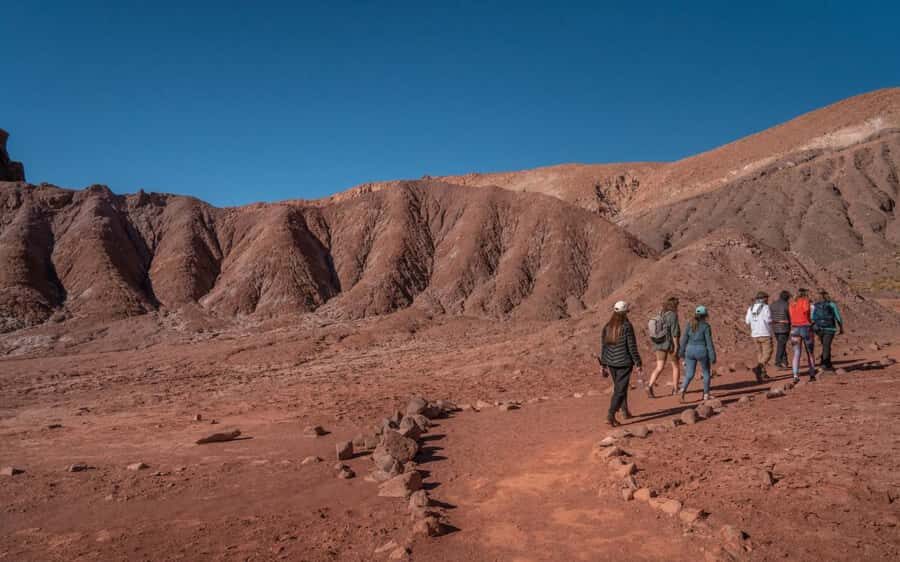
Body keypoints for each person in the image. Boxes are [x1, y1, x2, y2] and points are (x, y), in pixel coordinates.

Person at [599, 301, 643, 427]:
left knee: (620, 388)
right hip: (624, 362)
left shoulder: (607, 326)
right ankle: (610, 414)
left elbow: (604, 346)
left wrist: (603, 364)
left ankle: (624, 411)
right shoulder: (626, 326)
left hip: (611, 363)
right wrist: (638, 362)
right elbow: (632, 346)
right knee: (620, 389)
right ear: (624, 313)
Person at [678, 305, 717, 402]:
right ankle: (706, 395)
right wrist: (712, 356)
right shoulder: (706, 326)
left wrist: (681, 352)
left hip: (690, 351)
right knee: (706, 373)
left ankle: (682, 390)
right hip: (702, 351)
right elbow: (709, 342)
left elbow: (684, 340)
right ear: (705, 315)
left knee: (689, 374)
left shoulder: (689, 324)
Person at [646, 296, 681, 398]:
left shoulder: (660, 314)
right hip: (669, 345)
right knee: (675, 366)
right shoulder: (673, 315)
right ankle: (675, 389)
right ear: (674, 305)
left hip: (658, 344)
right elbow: (674, 332)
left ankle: (649, 386)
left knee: (659, 367)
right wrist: (676, 345)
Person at [789, 288, 816, 382]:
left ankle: (795, 375)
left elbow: (791, 315)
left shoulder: (792, 303)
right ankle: (812, 375)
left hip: (794, 329)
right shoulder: (805, 301)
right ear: (805, 294)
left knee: (796, 353)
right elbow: (807, 311)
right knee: (810, 353)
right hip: (805, 327)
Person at [745, 291, 773, 382]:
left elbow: (747, 321)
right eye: (766, 298)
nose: (767, 300)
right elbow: (768, 320)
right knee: (768, 353)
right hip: (764, 333)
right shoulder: (765, 307)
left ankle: (762, 374)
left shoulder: (751, 308)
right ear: (763, 298)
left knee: (760, 355)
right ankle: (758, 368)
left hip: (755, 334)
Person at [812, 288, 844, 371]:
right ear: (826, 295)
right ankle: (825, 365)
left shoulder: (814, 305)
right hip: (830, 328)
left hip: (819, 329)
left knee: (825, 345)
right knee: (826, 346)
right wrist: (841, 328)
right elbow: (838, 317)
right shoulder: (832, 304)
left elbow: (812, 318)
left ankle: (826, 363)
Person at [770, 290, 792, 368]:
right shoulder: (787, 305)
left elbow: (770, 316)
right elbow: (790, 317)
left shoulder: (772, 304)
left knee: (781, 344)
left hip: (775, 328)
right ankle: (777, 362)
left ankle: (785, 362)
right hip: (784, 328)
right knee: (781, 345)